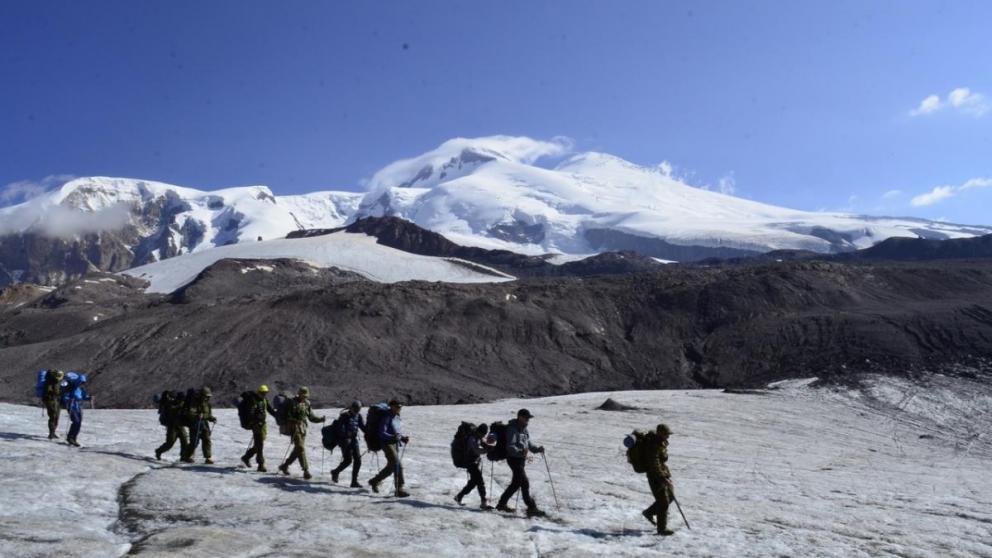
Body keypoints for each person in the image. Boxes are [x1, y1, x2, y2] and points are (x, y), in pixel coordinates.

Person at [496, 409, 546, 518]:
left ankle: (501, 504)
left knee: (516, 483)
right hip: (513, 459)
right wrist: (520, 451)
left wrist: (537, 449)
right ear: (519, 417)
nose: (528, 420)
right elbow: (510, 447)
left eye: (528, 418)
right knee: (524, 482)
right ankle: (531, 507)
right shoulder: (512, 429)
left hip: (520, 460)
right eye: (526, 417)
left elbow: (528, 444)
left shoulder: (524, 429)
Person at [278, 386, 326, 480]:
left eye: (305, 396)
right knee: (300, 447)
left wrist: (320, 420)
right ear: (299, 394)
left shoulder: (307, 404)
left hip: (303, 429)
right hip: (293, 428)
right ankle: (306, 470)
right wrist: (294, 420)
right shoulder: (291, 402)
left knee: (298, 449)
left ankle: (285, 465)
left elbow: (311, 417)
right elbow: (287, 416)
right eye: (302, 395)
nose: (304, 397)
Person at [368, 399, 410, 497]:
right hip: (387, 443)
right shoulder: (387, 416)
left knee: (391, 466)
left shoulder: (396, 416)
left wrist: (402, 438)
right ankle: (399, 489)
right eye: (397, 407)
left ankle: (374, 481)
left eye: (400, 407)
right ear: (391, 406)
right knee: (397, 465)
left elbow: (396, 431)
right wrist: (393, 437)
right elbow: (382, 432)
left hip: (394, 443)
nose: (399, 408)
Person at [641, 424, 675, 536]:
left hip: (663, 474)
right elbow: (654, 464)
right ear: (660, 433)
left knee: (670, 497)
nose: (668, 436)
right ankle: (662, 529)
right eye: (666, 434)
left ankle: (648, 512)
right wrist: (662, 478)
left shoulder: (660, 442)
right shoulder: (653, 445)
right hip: (655, 477)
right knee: (663, 502)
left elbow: (660, 461)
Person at [455, 423, 495, 510]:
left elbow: (482, 443)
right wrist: (486, 450)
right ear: (479, 431)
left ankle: (459, 496)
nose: (483, 436)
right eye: (483, 434)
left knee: (473, 482)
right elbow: (476, 450)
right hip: (470, 463)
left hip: (474, 462)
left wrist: (488, 447)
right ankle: (483, 502)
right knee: (480, 482)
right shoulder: (471, 438)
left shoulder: (477, 437)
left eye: (484, 434)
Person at [241, 384, 278, 472]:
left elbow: (270, 410)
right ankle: (260, 465)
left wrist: (279, 416)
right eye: (262, 393)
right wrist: (254, 422)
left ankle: (246, 457)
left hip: (263, 425)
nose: (264, 394)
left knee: (259, 443)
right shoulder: (253, 401)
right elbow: (250, 414)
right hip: (256, 425)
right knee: (260, 444)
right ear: (258, 392)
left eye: (265, 393)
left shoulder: (264, 400)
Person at [331, 400, 366, 488]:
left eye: (358, 409)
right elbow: (339, 428)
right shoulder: (345, 416)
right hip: (345, 440)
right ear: (352, 407)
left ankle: (354, 482)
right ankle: (335, 472)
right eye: (356, 409)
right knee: (348, 460)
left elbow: (362, 427)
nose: (357, 411)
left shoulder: (359, 416)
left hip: (354, 440)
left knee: (358, 460)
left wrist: (371, 432)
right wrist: (346, 435)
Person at [182, 387, 217, 464]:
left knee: (207, 440)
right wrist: (197, 415)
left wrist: (212, 418)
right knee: (195, 442)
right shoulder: (194, 402)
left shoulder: (207, 403)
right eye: (206, 396)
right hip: (195, 424)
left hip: (204, 424)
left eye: (209, 396)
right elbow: (190, 413)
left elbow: (208, 414)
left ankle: (208, 457)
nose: (208, 397)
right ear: (202, 395)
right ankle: (187, 456)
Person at [155, 390, 190, 461]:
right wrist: (180, 404)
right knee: (170, 443)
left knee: (184, 440)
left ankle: (183, 456)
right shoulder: (170, 403)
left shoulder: (181, 403)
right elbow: (172, 409)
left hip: (180, 425)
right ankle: (159, 451)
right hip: (172, 426)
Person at [61, 372, 91, 447]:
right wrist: (68, 400)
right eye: (82, 382)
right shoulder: (72, 387)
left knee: (78, 422)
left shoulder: (80, 388)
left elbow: (83, 397)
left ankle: (73, 438)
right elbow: (65, 396)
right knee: (76, 421)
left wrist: (89, 398)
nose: (83, 383)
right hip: (71, 405)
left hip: (78, 406)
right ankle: (70, 438)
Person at [41, 369, 65, 439]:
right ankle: (51, 433)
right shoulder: (50, 381)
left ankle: (53, 432)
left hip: (56, 400)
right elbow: (49, 391)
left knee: (56, 417)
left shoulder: (57, 382)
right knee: (53, 416)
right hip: (51, 400)